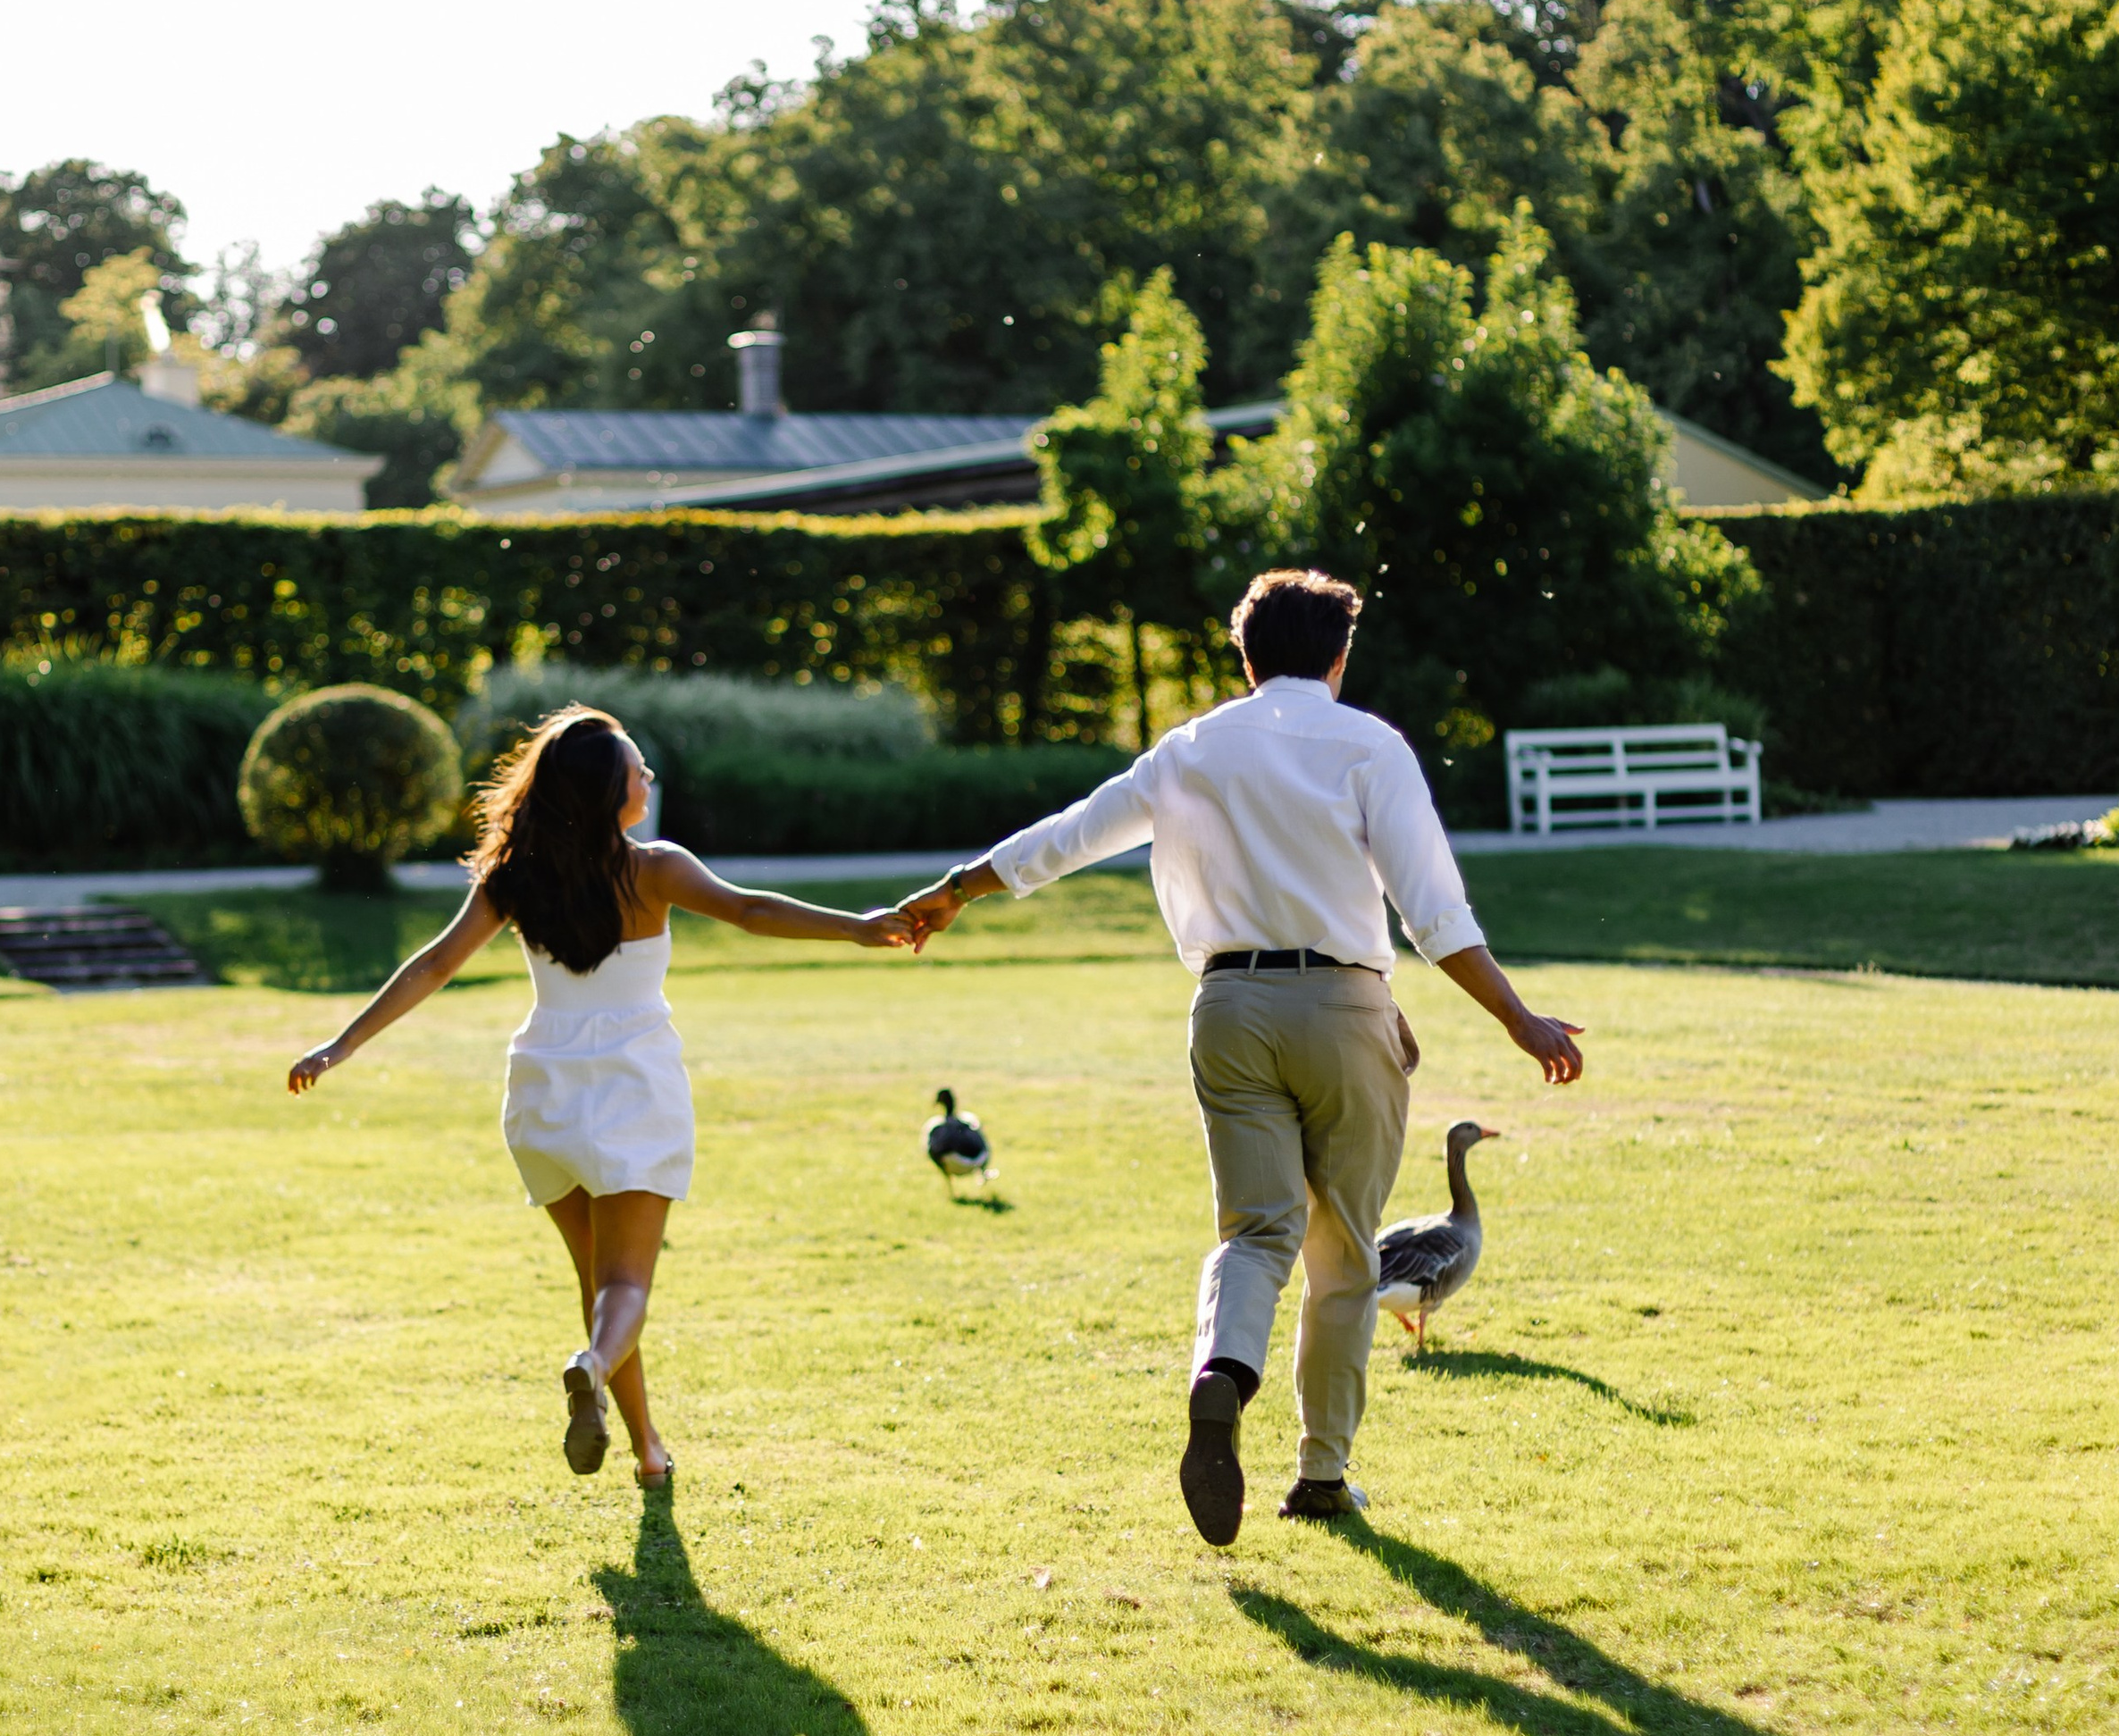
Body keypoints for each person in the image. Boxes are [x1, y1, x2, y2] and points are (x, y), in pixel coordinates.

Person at [897, 569, 1583, 1546]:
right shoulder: (1369, 747)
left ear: (1243, 656)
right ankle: (1320, 1474)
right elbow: (1432, 912)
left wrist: (955, 888)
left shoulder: (1189, 749)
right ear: (1338, 658)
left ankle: (1221, 1374)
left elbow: (1067, 838)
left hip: (1228, 1007)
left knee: (1256, 1229)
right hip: (1346, 1006)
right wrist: (1519, 1019)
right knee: (1344, 1251)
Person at [287, 706, 914, 1485]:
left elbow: (434, 964)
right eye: (636, 770)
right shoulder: (655, 868)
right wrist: (858, 928)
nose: (647, 778)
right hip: (631, 1087)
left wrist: (340, 1045)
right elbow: (751, 911)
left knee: (599, 1286)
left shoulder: (515, 879)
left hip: (543, 1090)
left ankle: (647, 1449)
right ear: (605, 792)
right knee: (625, 1288)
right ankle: (591, 1364)